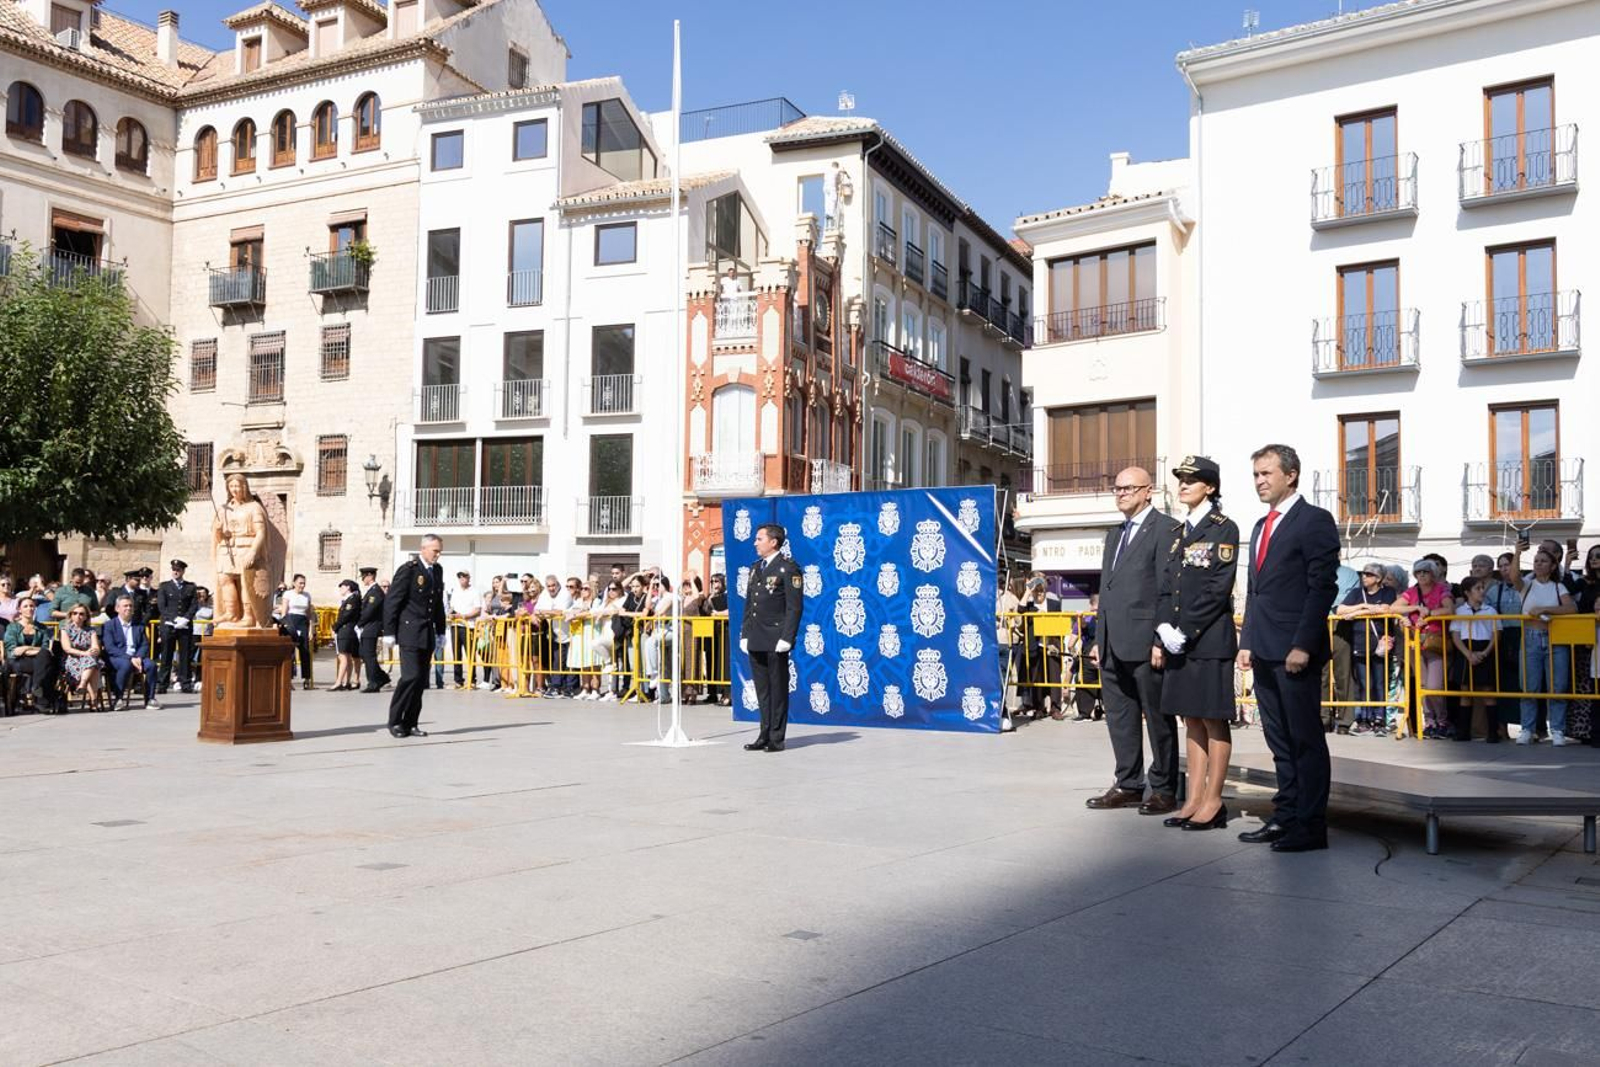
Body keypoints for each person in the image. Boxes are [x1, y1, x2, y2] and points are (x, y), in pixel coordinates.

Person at [1236, 443, 1341, 853]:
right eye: (1256, 475)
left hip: (1295, 651)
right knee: (1279, 741)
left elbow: (1322, 587)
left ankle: (1311, 826)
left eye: (1266, 474)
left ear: (1290, 475)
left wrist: (1303, 644)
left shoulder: (1313, 521)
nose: (1260, 482)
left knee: (1305, 740)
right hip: (1263, 647)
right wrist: (1246, 642)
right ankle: (1285, 815)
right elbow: (1255, 590)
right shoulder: (1262, 526)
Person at [1087, 465, 1183, 815]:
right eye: (1117, 488)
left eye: (1129, 488)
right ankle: (1128, 783)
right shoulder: (1115, 534)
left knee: (1157, 718)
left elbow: (1166, 589)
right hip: (1113, 642)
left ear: (1148, 491)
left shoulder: (1165, 530)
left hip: (1145, 641)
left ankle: (1164, 788)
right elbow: (1107, 590)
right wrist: (1100, 638)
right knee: (1120, 716)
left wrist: (1160, 638)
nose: (1121, 493)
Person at [1152, 456, 1239, 831]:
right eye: (1181, 479)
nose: (1183, 485)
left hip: (1207, 639)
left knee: (1213, 720)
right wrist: (1162, 630)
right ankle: (1193, 799)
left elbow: (1217, 588)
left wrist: (1183, 629)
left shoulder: (1223, 529)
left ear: (1211, 486)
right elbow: (1164, 587)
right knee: (1191, 719)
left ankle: (1214, 800)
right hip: (1177, 641)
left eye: (1192, 479)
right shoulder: (1176, 533)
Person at [741, 523, 803, 752]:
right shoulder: (756, 568)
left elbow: (794, 608)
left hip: (776, 638)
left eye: (759, 539)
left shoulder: (788, 568)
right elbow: (750, 604)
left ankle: (776, 738)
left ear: (773, 542)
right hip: (756, 636)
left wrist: (787, 637)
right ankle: (763, 734)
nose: (755, 543)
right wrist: (745, 633)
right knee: (763, 691)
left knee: (777, 689)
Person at [382, 535, 447, 738]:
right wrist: (389, 632)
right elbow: (392, 602)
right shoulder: (409, 569)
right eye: (435, 550)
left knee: (420, 681)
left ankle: (410, 723)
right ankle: (395, 721)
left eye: (439, 551)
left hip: (426, 632)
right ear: (423, 548)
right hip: (409, 631)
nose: (438, 554)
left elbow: (436, 603)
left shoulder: (437, 570)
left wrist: (441, 630)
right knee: (410, 676)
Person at [1513, 542, 1576, 746]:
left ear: (1552, 565)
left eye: (1543, 561)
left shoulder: (1559, 586)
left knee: (1557, 686)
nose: (1539, 564)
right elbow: (1513, 577)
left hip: (1555, 639)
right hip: (1530, 636)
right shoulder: (1527, 584)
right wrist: (1517, 552)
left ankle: (1557, 729)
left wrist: (1544, 609)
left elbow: (1571, 608)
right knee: (1529, 687)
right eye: (1536, 561)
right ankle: (1527, 728)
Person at [1335, 563, 1399, 735]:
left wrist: (1354, 614)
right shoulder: (1357, 593)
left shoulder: (1387, 592)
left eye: (1369, 574)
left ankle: (1379, 718)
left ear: (1378, 578)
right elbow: (1341, 609)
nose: (1364, 577)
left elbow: (1385, 609)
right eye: (1363, 574)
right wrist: (1364, 607)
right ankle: (1364, 718)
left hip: (1380, 643)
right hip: (1360, 642)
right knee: (1363, 683)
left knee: (1379, 682)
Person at [1396, 559, 1454, 738]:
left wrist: (1429, 613)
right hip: (1415, 643)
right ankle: (1429, 721)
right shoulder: (1412, 592)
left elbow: (1449, 609)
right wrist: (1414, 608)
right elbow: (1394, 607)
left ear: (1433, 574)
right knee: (1422, 685)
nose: (1421, 575)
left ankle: (1442, 721)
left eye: (1425, 572)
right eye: (1418, 572)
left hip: (1435, 642)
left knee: (1434, 685)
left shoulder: (1441, 589)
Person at [213, 472, 273, 629]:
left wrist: (253, 551)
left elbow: (261, 532)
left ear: (244, 487)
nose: (234, 489)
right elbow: (218, 538)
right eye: (231, 486)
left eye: (237, 486)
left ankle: (248, 617)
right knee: (225, 579)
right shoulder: (224, 509)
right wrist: (219, 531)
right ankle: (231, 613)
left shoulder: (254, 507)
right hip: (227, 549)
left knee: (246, 581)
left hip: (246, 547)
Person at [1448, 574, 1500, 743]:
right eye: (1477, 588)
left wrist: (1484, 652)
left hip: (1485, 648)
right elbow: (1455, 635)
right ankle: (1464, 731)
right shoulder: (1460, 611)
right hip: (1466, 650)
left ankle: (1492, 732)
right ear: (1467, 592)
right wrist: (1467, 653)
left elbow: (1496, 634)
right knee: (1465, 692)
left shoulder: (1490, 610)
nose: (1482, 591)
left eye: (1482, 588)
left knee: (1488, 691)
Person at [103, 594, 159, 710]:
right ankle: (118, 699)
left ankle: (150, 699)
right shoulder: (109, 625)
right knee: (125, 665)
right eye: (125, 606)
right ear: (117, 608)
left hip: (137, 657)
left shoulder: (139, 625)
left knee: (151, 665)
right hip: (117, 657)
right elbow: (110, 648)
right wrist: (129, 658)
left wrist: (138, 656)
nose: (128, 608)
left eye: (130, 606)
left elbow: (144, 644)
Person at [5, 596, 60, 713]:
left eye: (31, 606)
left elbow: (45, 648)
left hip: (38, 660)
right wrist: (33, 649)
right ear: (19, 609)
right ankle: (42, 700)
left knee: (47, 658)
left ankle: (36, 688)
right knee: (48, 665)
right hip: (19, 661)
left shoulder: (41, 627)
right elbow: (13, 650)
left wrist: (25, 648)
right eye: (25, 606)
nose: (29, 608)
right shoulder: (12, 627)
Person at [155, 559, 198, 695]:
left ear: (183, 571)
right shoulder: (164, 586)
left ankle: (185, 683)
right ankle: (162, 684)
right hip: (169, 625)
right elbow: (162, 606)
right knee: (166, 655)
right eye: (174, 569)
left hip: (184, 626)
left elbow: (193, 605)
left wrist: (185, 619)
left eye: (178, 570)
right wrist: (173, 619)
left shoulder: (190, 587)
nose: (176, 572)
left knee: (185, 656)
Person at [57, 604, 104, 709]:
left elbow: (95, 646)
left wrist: (94, 651)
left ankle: (83, 685)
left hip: (89, 658)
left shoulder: (91, 630)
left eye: (81, 614)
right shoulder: (65, 629)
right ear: (71, 615)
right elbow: (67, 648)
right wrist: (85, 653)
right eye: (75, 613)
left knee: (92, 662)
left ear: (86, 616)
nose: (78, 616)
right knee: (93, 665)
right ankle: (93, 700)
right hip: (72, 658)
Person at [356, 567, 390, 692]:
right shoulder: (372, 591)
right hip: (368, 627)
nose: (363, 579)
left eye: (364, 577)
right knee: (365, 654)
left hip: (372, 627)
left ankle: (373, 682)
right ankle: (381, 677)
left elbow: (369, 611)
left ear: (370, 576)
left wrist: (359, 623)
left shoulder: (375, 592)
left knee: (369, 655)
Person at [448, 571, 481, 689]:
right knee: (456, 654)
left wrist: (463, 616)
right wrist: (451, 614)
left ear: (469, 578)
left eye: (464, 577)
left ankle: (472, 680)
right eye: (460, 577)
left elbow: (477, 610)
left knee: (470, 654)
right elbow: (452, 606)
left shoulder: (474, 591)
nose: (462, 579)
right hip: (455, 625)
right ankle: (458, 680)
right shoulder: (455, 590)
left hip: (468, 626)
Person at [281, 574, 314, 690]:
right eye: (300, 583)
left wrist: (310, 630)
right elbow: (284, 612)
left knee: (305, 651)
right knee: (290, 652)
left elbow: (309, 615)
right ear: (294, 583)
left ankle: (306, 678)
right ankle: (288, 679)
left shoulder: (307, 595)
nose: (302, 585)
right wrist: (285, 625)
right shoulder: (288, 594)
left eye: (304, 583)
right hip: (291, 621)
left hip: (302, 622)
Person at [330, 579, 361, 691]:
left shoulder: (352, 600)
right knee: (347, 657)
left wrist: (335, 626)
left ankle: (339, 682)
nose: (341, 589)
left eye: (342, 587)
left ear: (348, 587)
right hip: (347, 630)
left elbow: (345, 616)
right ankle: (346, 681)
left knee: (343, 657)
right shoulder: (349, 599)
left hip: (346, 630)